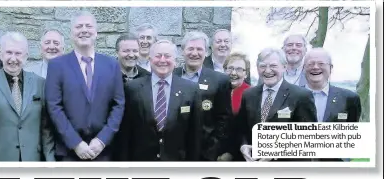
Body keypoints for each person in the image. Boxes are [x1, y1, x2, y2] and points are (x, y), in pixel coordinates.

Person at [45, 11, 124, 161]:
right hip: (69, 151)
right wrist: (76, 143)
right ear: (71, 33)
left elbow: (118, 105)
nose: (84, 30)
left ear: (96, 32)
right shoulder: (57, 66)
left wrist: (102, 140)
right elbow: (54, 106)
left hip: (103, 151)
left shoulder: (112, 65)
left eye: (88, 26)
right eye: (78, 26)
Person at [225, 48, 317, 162]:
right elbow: (240, 129)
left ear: (284, 67)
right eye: (263, 66)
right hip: (252, 165)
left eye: (273, 66)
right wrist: (243, 146)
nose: (267, 71)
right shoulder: (249, 95)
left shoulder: (301, 96)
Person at [116, 40, 202, 161]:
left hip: (176, 164)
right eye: (158, 56)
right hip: (141, 164)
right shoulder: (132, 88)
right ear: (150, 59)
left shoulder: (191, 89)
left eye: (167, 56)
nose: (162, 60)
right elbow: (125, 134)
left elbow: (195, 135)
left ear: (175, 61)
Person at [0, 32, 55, 161]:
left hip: (33, 161)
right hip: (0, 161)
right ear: (0, 54)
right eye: (9, 52)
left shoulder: (40, 83)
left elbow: (46, 129)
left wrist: (51, 162)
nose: (13, 59)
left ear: (26, 56)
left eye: (18, 53)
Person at [172, 31, 232, 161]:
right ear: (182, 51)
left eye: (199, 49)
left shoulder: (220, 80)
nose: (194, 53)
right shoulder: (171, 76)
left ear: (206, 52)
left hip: (205, 152)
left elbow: (224, 119)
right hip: (173, 151)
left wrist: (214, 148)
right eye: (190, 49)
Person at [302, 48, 361, 122]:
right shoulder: (291, 97)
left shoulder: (350, 98)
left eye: (321, 64)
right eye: (310, 64)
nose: (315, 67)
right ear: (303, 68)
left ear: (331, 68)